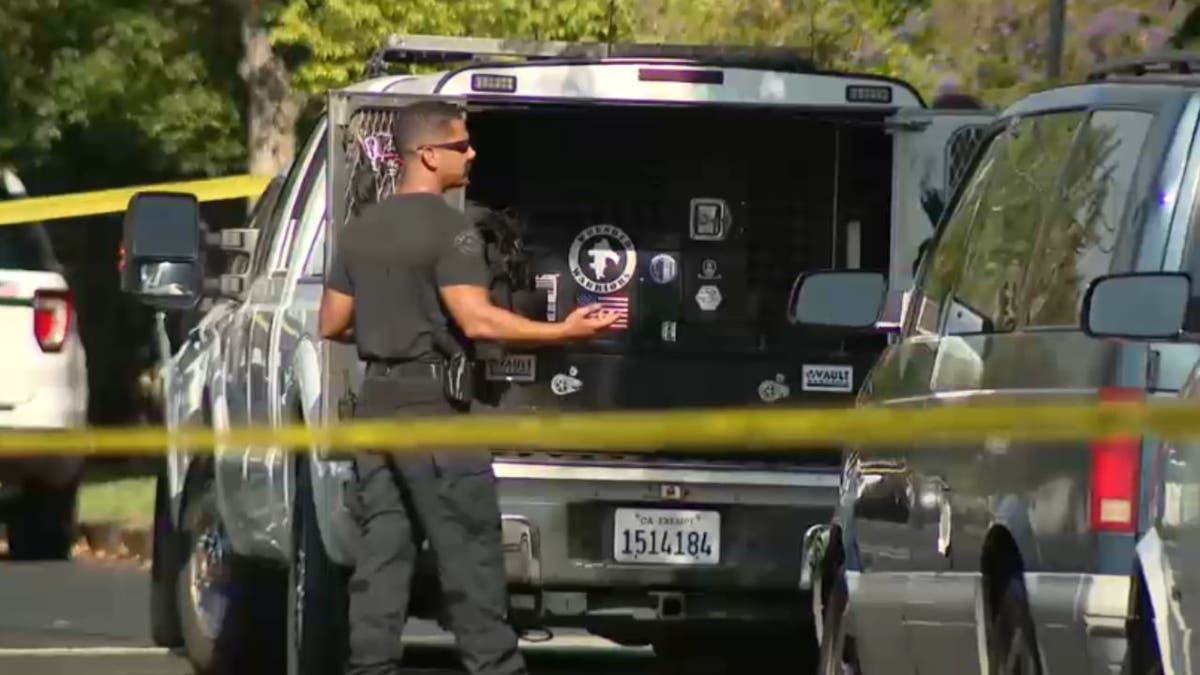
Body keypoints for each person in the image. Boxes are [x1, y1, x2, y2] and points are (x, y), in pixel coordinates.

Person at [317, 100, 618, 675]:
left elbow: (331, 323)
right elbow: (478, 321)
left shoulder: (361, 229)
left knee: (380, 565)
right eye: (461, 146)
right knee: (472, 566)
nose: (472, 153)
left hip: (378, 407)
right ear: (428, 155)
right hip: (436, 413)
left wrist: (392, 327)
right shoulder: (453, 232)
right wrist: (564, 330)